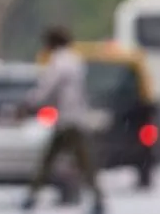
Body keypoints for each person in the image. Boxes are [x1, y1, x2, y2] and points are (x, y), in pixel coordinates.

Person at [21, 26, 105, 214]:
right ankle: (97, 199)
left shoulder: (59, 62)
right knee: (82, 162)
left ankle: (31, 197)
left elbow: (47, 88)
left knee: (52, 160)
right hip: (76, 117)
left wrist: (29, 104)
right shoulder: (75, 60)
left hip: (68, 120)